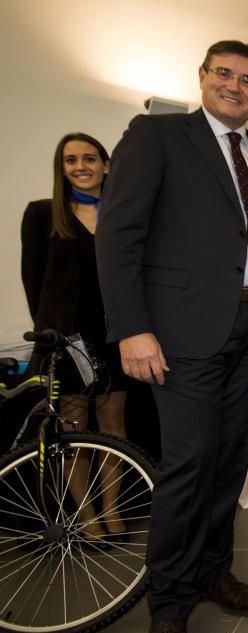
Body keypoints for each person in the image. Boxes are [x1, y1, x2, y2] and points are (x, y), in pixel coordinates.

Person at [95, 41, 248, 633]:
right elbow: (120, 233)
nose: (235, 85)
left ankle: (214, 572)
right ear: (203, 78)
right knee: (189, 464)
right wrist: (132, 328)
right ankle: (169, 608)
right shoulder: (157, 136)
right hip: (184, 334)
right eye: (224, 73)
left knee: (230, 461)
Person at [20, 132, 128, 543]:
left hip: (117, 337)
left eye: (89, 158)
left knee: (114, 430)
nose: (80, 166)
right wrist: (50, 334)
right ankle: (86, 517)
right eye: (70, 160)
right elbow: (33, 281)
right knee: (77, 432)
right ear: (60, 168)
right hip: (68, 341)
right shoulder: (42, 214)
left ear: (105, 165)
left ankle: (114, 511)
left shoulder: (121, 215)